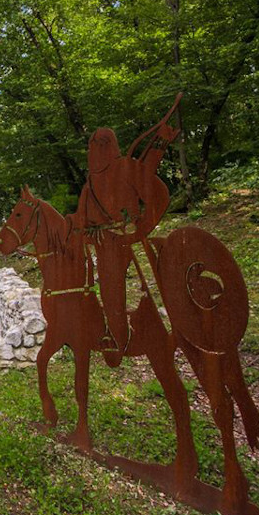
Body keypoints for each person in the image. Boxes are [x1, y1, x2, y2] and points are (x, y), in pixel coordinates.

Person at [73, 99, 181, 364]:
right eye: (93, 144)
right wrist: (87, 232)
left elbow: (158, 196)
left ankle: (131, 335)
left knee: (131, 287)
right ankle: (116, 335)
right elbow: (82, 223)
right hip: (105, 247)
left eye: (102, 144)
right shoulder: (90, 183)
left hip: (126, 240)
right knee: (106, 291)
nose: (96, 149)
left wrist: (141, 228)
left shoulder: (126, 168)